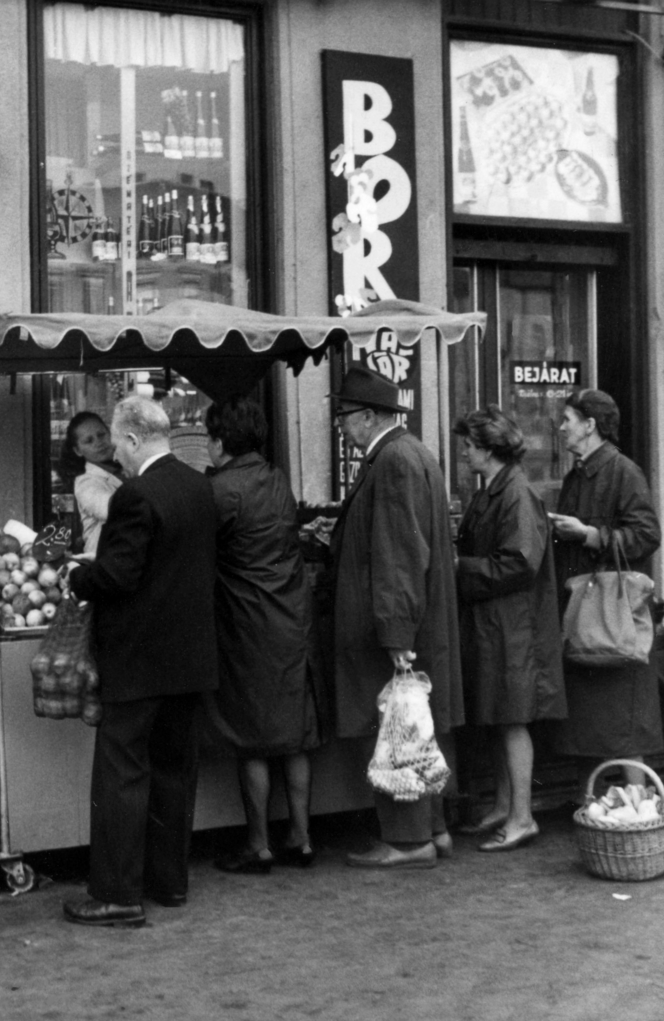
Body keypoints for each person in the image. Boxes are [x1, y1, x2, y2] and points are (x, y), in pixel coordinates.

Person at [63, 395, 218, 927]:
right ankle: (168, 882)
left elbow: (118, 576)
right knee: (175, 772)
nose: (117, 456)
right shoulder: (201, 487)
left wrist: (79, 576)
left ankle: (118, 895)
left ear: (132, 439)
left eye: (118, 444)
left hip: (138, 659)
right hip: (191, 659)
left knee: (122, 775)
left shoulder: (135, 496)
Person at [329, 366, 463, 870]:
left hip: (396, 625)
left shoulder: (391, 461)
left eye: (343, 416)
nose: (340, 425)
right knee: (416, 727)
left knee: (396, 730)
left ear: (366, 417)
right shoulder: (410, 453)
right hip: (412, 620)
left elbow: (399, 553)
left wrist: (395, 632)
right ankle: (433, 829)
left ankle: (408, 841)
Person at [202, 397, 322, 874]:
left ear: (220, 441)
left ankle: (259, 843)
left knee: (252, 737)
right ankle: (303, 835)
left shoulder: (219, 490)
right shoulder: (277, 480)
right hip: (291, 620)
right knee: (293, 735)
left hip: (245, 625)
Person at [452, 407, 567, 853]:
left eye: (469, 447)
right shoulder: (496, 491)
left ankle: (522, 817)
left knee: (513, 720)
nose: (465, 454)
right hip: (500, 623)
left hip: (513, 626)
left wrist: (460, 566)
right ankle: (504, 806)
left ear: (488, 449)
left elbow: (520, 562)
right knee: (502, 717)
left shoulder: (515, 493)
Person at [548, 390, 663, 780]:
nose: (561, 427)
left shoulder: (623, 471)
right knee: (597, 717)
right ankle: (600, 804)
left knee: (624, 719)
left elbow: (647, 536)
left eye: (567, 419)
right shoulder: (577, 474)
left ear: (589, 425)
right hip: (587, 610)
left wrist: (588, 535)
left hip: (613, 614)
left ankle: (639, 804)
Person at [59, 411, 125, 555]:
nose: (98, 443)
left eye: (101, 434)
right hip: (103, 562)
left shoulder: (126, 469)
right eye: (89, 441)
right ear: (78, 451)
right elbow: (114, 510)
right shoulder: (85, 484)